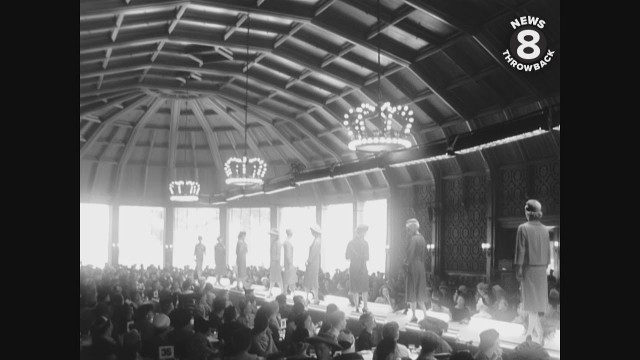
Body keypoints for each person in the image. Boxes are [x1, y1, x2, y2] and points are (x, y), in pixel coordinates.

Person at [514, 199, 551, 344]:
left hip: (529, 269)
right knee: (534, 306)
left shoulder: (523, 228)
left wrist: (518, 268)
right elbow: (548, 252)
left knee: (531, 305)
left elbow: (520, 250)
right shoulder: (545, 229)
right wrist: (544, 267)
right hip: (541, 270)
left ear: (528, 211)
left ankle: (530, 334)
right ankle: (537, 333)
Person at [404, 218, 429, 322]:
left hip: (413, 265)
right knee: (420, 290)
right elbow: (425, 254)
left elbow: (410, 253)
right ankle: (425, 314)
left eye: (408, 229)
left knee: (412, 290)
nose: (407, 232)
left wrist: (405, 263)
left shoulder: (413, 239)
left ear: (412, 229)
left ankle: (414, 315)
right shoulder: (422, 238)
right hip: (421, 266)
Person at [346, 224, 371, 313]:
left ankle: (357, 307)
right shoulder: (365, 243)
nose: (364, 234)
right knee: (364, 288)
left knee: (356, 289)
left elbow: (347, 256)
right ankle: (364, 307)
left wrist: (356, 256)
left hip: (354, 267)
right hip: (363, 267)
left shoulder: (351, 243)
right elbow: (367, 257)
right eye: (364, 232)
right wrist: (360, 256)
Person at [304, 225, 322, 304]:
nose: (311, 233)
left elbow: (313, 253)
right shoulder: (316, 240)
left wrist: (308, 261)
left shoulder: (317, 241)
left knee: (312, 281)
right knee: (312, 281)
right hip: (313, 263)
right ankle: (313, 297)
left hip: (313, 264)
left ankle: (315, 298)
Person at [269, 228, 284, 294]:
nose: (271, 236)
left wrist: (275, 261)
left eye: (272, 235)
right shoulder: (275, 242)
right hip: (274, 263)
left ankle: (282, 291)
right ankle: (270, 291)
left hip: (276, 263)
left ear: (275, 235)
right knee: (274, 278)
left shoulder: (278, 243)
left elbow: (278, 255)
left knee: (277, 278)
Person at [283, 229, 297, 295]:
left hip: (287, 262)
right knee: (289, 277)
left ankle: (287, 291)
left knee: (288, 277)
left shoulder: (286, 241)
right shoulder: (287, 242)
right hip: (289, 262)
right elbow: (288, 253)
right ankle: (286, 291)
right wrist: (290, 263)